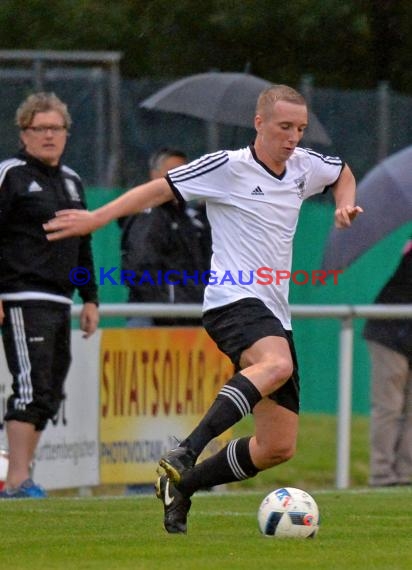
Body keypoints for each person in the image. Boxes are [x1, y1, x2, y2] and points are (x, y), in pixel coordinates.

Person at [44, 84, 362, 530]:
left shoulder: (304, 166)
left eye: (301, 128)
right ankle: (186, 448)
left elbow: (342, 171)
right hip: (231, 299)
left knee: (277, 446)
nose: (293, 137)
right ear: (259, 123)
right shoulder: (228, 166)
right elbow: (158, 190)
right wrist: (97, 217)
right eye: (284, 127)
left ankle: (183, 486)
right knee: (276, 364)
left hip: (273, 311)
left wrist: (344, 206)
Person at [0, 92, 99, 498]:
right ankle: (18, 479)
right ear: (24, 133)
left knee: (50, 390)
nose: (49, 136)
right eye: (40, 128)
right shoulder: (11, 174)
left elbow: (83, 244)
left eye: (56, 128)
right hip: (22, 296)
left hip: (62, 301)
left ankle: (23, 475)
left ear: (66, 134)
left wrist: (90, 297)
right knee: (30, 385)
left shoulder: (72, 181)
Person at [121, 147, 211, 327]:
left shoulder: (189, 218)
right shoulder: (151, 214)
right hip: (156, 319)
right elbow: (140, 267)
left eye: (185, 173)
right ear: (154, 176)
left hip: (189, 317)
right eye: (172, 173)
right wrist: (165, 311)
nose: (179, 179)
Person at [363, 238, 412, 487]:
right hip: (390, 335)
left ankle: (405, 475)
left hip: (405, 334)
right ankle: (381, 474)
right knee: (389, 406)